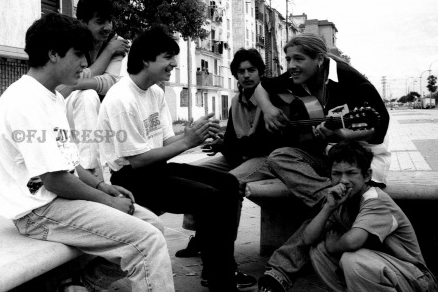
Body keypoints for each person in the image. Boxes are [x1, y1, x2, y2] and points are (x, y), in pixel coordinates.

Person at [0, 13, 174, 292]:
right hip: (37, 211)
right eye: (78, 54)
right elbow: (55, 179)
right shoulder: (25, 100)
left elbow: (70, 166)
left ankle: (92, 283)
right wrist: (107, 202)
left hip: (56, 200)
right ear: (53, 54)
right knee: (147, 242)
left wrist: (102, 186)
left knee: (153, 225)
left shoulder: (52, 97)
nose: (86, 64)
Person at [97, 25, 243, 292]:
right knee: (209, 197)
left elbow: (164, 143)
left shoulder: (155, 91)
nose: (174, 64)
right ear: (145, 60)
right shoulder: (121, 98)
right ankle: (223, 281)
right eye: (167, 57)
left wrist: (192, 135)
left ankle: (219, 268)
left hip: (155, 169)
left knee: (229, 184)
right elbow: (138, 160)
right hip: (130, 179)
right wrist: (188, 141)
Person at [255, 33, 391, 292]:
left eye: (298, 58)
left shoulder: (352, 81)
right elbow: (262, 87)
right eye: (287, 59)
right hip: (328, 155)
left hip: (361, 159)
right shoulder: (296, 77)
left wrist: (342, 134)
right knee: (280, 156)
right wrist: (269, 110)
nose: (291, 65)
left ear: (319, 59)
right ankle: (331, 202)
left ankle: (281, 270)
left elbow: (379, 124)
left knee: (335, 205)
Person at [175, 49, 282, 291]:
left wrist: (228, 144)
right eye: (241, 71)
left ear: (260, 72)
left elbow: (262, 144)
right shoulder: (235, 100)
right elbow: (234, 142)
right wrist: (220, 143)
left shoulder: (270, 97)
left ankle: (224, 261)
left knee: (228, 185)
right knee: (191, 173)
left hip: (265, 159)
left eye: (251, 70)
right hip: (241, 156)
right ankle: (201, 238)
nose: (246, 75)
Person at [304, 141, 437, 292]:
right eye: (336, 174)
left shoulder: (376, 201)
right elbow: (308, 239)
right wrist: (328, 207)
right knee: (318, 250)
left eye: (351, 173)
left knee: (353, 260)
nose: (343, 181)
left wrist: (334, 245)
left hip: (415, 279)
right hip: (378, 273)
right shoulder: (340, 201)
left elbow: (352, 241)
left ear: (366, 175)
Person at [62, 0, 130, 177]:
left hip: (97, 114)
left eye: (110, 21)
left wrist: (75, 83)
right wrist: (107, 52)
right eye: (100, 22)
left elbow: (110, 83)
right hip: (66, 106)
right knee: (87, 95)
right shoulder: (71, 43)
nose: (108, 27)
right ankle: (91, 172)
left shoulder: (117, 44)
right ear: (83, 23)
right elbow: (65, 86)